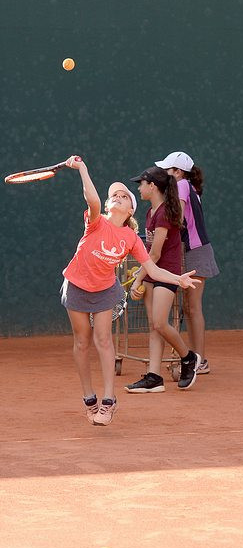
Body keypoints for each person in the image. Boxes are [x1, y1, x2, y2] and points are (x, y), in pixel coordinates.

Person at [60, 157, 199, 426]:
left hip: (103, 290)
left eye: (124, 196)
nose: (119, 197)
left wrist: (177, 278)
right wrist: (83, 170)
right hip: (76, 285)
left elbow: (153, 269)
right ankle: (89, 396)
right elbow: (92, 200)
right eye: (114, 195)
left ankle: (109, 400)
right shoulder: (96, 221)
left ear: (130, 210)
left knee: (103, 341)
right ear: (108, 204)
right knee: (81, 342)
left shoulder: (131, 238)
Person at [127, 167, 202, 393]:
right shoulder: (150, 213)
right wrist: (142, 275)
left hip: (166, 272)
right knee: (154, 326)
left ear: (152, 186)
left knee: (160, 323)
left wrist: (137, 279)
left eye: (141, 184)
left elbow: (155, 254)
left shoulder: (164, 214)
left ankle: (188, 357)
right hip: (152, 272)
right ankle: (154, 376)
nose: (139, 189)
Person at [155, 151, 219, 375]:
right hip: (189, 251)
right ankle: (195, 357)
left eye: (167, 169)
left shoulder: (182, 185)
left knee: (192, 307)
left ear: (178, 172)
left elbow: (178, 217)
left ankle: (199, 360)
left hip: (195, 252)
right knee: (188, 308)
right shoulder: (187, 186)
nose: (164, 173)